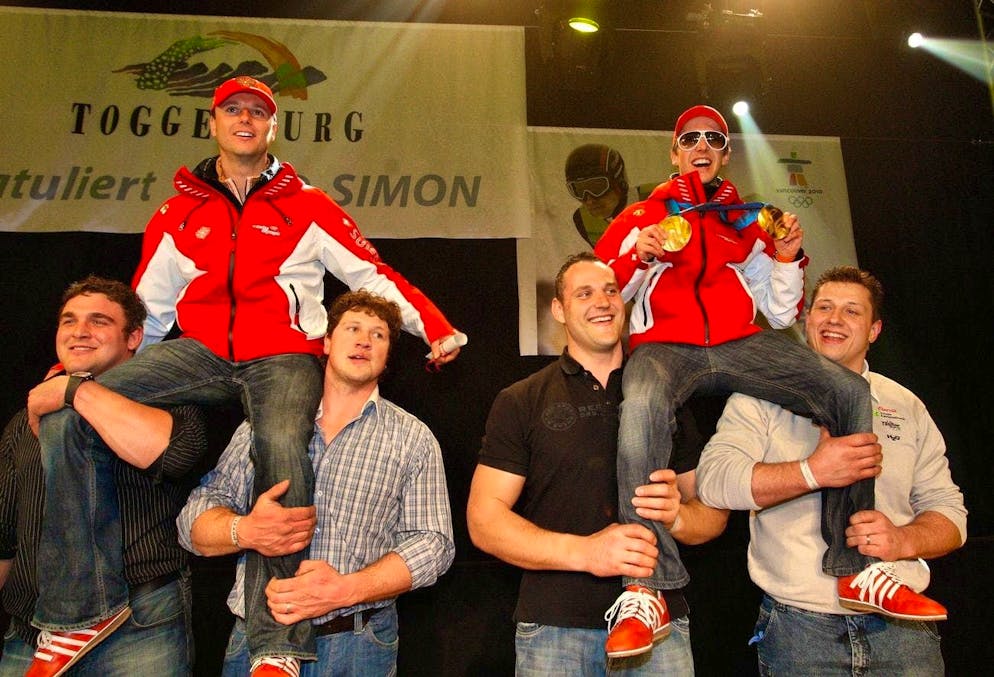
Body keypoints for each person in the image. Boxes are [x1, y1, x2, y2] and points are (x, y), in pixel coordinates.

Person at [29, 76, 462, 677]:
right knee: (70, 411)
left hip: (281, 352)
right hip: (203, 350)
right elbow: (148, 315)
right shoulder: (178, 212)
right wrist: (77, 377)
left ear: (272, 127)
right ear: (213, 121)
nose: (244, 119)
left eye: (257, 112)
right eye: (232, 109)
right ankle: (82, 609)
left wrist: (433, 327)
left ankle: (277, 638)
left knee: (281, 444)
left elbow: (371, 271)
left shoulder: (306, 204)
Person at [592, 104, 941, 658]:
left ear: (726, 154)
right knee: (639, 409)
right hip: (666, 345)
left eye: (714, 138)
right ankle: (646, 586)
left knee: (850, 391)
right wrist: (639, 256)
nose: (701, 145)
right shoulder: (643, 214)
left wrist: (784, 255)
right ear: (675, 150)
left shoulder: (750, 219)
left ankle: (855, 568)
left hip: (737, 343)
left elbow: (780, 315)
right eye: (690, 138)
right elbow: (607, 292)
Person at [467, 252, 726, 675]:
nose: (602, 302)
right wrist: (586, 552)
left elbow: (712, 515)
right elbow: (483, 520)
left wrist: (678, 518)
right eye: (584, 293)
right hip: (554, 630)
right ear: (559, 310)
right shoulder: (521, 400)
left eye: (611, 291)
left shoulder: (666, 398)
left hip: (659, 624)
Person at [696, 265, 965, 674]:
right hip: (800, 630)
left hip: (904, 630)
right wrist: (813, 471)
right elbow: (715, 482)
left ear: (875, 330)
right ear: (806, 322)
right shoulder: (759, 398)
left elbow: (951, 514)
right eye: (824, 307)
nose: (834, 319)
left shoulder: (905, 405)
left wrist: (903, 539)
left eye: (852, 311)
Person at [177, 290, 455, 677]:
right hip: (257, 642)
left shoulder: (412, 438)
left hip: (357, 644)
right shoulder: (266, 424)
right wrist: (244, 530)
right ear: (326, 341)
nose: (363, 340)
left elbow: (434, 544)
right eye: (352, 328)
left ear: (388, 355)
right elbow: (194, 520)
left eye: (378, 335)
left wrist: (347, 589)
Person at [1, 276, 206, 676]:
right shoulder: (21, 422)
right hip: (33, 633)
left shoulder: (175, 402)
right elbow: (4, 535)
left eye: (98, 321)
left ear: (134, 338)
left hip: (138, 627)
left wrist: (73, 391)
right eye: (69, 321)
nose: (79, 331)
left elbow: (173, 454)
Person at [565, 144, 632, 247]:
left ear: (619, 184)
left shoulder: (654, 199)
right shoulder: (582, 219)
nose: (589, 200)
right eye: (579, 190)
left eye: (597, 188)